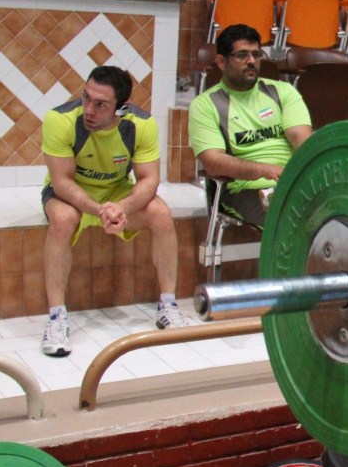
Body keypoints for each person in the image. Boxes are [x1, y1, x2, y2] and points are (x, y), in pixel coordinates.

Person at [40, 66, 181, 356]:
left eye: (101, 104)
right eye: (86, 98)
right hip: (71, 193)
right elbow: (61, 182)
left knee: (161, 213)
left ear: (120, 108)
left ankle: (168, 304)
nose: (89, 109)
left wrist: (122, 207)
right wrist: (100, 210)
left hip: (116, 192)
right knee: (63, 219)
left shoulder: (141, 125)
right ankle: (56, 317)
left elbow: (149, 180)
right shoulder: (60, 120)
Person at [188, 24, 313, 228]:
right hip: (245, 189)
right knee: (295, 221)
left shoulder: (283, 91)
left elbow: (302, 141)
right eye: (242, 55)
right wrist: (266, 170)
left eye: (256, 54)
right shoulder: (205, 105)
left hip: (294, 182)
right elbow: (214, 162)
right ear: (221, 61)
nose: (252, 61)